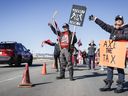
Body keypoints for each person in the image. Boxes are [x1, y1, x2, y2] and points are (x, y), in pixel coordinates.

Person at [89, 15, 128, 93]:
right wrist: (96, 19)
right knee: (109, 67)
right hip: (112, 52)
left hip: (121, 52)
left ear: (122, 21)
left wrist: (116, 37)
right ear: (115, 21)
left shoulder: (126, 28)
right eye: (117, 19)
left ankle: (120, 85)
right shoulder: (112, 29)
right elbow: (104, 25)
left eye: (120, 19)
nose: (118, 21)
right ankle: (108, 84)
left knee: (120, 68)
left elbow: (126, 36)